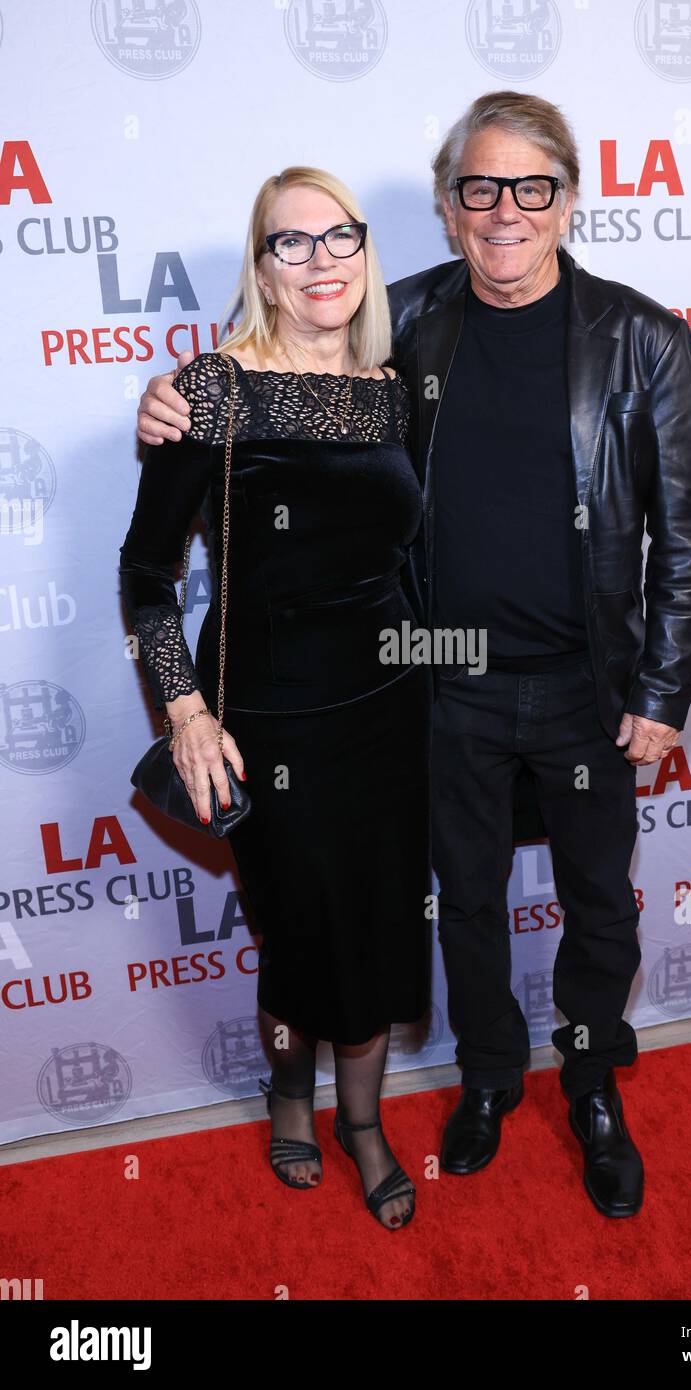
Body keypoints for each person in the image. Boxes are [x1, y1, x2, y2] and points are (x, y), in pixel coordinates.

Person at [135, 91, 691, 1220]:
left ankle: (592, 1079)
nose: (506, 211)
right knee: (470, 902)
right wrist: (174, 397)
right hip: (436, 678)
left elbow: (684, 531)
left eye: (531, 187)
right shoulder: (397, 325)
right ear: (449, 209)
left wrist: (662, 690)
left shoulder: (644, 338)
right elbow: (282, 373)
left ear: (567, 201)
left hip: (591, 691)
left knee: (602, 904)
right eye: (480, 188)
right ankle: (491, 1077)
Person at [120, 166, 432, 1231]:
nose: (320, 260)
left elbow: (407, 559)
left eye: (337, 236)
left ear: (364, 249)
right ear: (261, 269)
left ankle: (364, 1119)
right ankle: (290, 1097)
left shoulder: (395, 390)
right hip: (267, 721)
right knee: (300, 933)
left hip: (388, 710)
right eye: (289, 244)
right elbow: (144, 573)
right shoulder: (214, 388)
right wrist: (187, 710)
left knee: (383, 926)